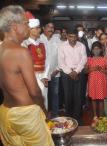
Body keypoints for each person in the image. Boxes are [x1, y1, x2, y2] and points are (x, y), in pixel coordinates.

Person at [0, 5, 54, 146]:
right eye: (25, 23)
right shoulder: (21, 52)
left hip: (5, 113)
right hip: (25, 115)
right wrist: (44, 110)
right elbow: (34, 91)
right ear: (14, 26)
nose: (28, 26)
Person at [58, 29, 87, 125]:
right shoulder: (62, 46)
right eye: (70, 36)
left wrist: (76, 71)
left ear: (77, 37)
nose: (72, 38)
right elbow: (61, 62)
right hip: (66, 74)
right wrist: (70, 72)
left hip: (78, 73)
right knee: (68, 96)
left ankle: (78, 118)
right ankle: (69, 118)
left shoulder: (81, 46)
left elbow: (84, 59)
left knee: (78, 96)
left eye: (74, 36)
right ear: (67, 36)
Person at [22, 11, 48, 109]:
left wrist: (45, 76)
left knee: (44, 100)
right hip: (31, 76)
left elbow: (47, 60)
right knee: (33, 102)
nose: (39, 30)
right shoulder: (24, 44)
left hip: (42, 76)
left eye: (39, 28)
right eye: (36, 28)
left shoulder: (42, 43)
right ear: (30, 30)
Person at [40, 22, 60, 117]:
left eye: (52, 27)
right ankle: (44, 115)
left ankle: (55, 115)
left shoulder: (57, 39)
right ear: (43, 28)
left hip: (55, 73)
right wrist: (45, 74)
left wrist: (57, 69)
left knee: (55, 95)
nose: (51, 29)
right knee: (43, 95)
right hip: (42, 74)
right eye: (48, 27)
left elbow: (60, 55)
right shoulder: (39, 39)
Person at [85, 41, 107, 119]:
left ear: (101, 50)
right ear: (91, 50)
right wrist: (92, 69)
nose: (96, 51)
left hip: (101, 82)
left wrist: (102, 70)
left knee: (101, 100)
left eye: (98, 49)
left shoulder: (104, 59)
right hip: (92, 82)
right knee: (94, 99)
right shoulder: (89, 59)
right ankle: (95, 115)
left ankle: (101, 116)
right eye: (94, 49)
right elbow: (85, 71)